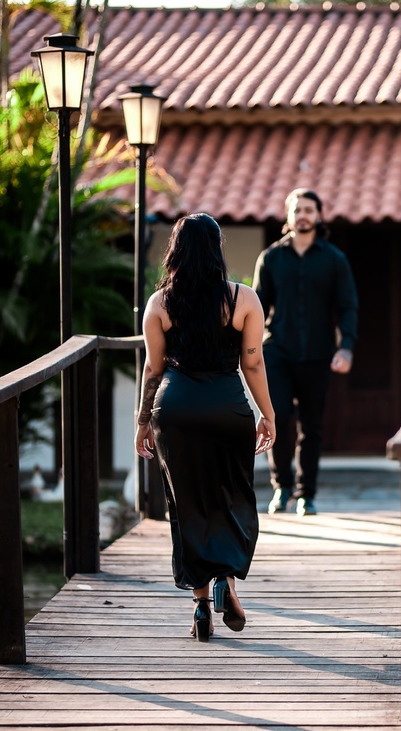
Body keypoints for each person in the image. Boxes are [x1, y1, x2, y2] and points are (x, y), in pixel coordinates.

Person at [134, 213, 276, 643]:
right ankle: (224, 581)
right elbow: (252, 361)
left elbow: (153, 369)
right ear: (217, 249)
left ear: (175, 250)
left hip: (175, 410)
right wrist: (268, 414)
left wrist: (143, 421)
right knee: (231, 496)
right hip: (226, 408)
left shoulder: (159, 304)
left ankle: (199, 603)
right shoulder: (243, 299)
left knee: (186, 504)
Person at [252, 188, 359, 517]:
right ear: (288, 215)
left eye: (309, 210)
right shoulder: (270, 258)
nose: (303, 215)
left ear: (319, 215)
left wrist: (347, 347)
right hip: (278, 353)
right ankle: (281, 486)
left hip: (317, 354)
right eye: (297, 210)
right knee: (278, 418)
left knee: (311, 427)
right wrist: (250, 351)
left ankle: (305, 495)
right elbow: (256, 307)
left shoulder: (334, 260)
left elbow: (347, 307)